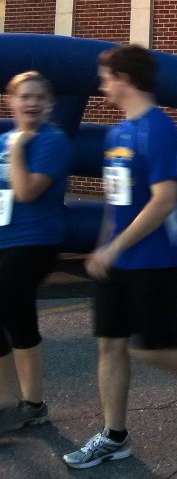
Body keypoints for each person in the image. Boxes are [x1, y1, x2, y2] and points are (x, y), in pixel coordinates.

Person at [63, 44, 177, 470]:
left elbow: (164, 201)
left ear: (126, 79)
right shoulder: (118, 133)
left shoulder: (158, 129)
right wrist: (103, 246)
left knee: (154, 349)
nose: (102, 83)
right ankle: (114, 436)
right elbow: (117, 200)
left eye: (107, 75)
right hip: (117, 259)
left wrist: (116, 246)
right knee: (109, 345)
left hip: (155, 260)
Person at [0, 72, 71, 433]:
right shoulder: (3, 140)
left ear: (49, 104)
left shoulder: (51, 141)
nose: (30, 103)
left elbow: (27, 192)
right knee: (13, 317)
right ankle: (11, 403)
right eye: (23, 96)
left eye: (38, 97)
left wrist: (16, 149)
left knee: (15, 313)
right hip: (3, 242)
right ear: (10, 101)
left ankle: (32, 404)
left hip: (33, 244)